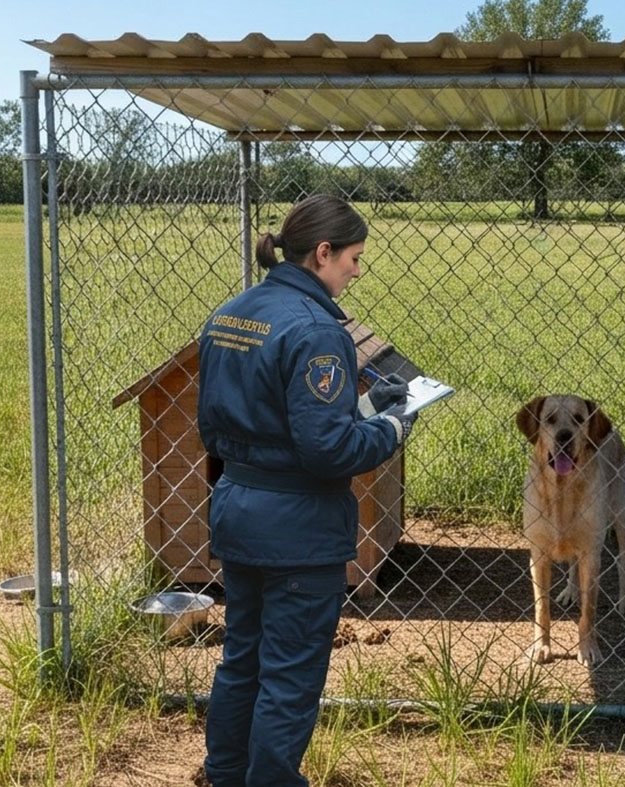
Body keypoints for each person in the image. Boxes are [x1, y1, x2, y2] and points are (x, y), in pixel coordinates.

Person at [196, 194, 414, 787]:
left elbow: (236, 423)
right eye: (353, 258)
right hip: (299, 530)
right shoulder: (318, 331)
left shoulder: (230, 314)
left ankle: (225, 774)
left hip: (238, 510)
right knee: (290, 677)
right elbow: (328, 451)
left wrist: (364, 407)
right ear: (323, 253)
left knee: (242, 659)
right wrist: (391, 427)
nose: (356, 271)